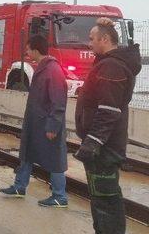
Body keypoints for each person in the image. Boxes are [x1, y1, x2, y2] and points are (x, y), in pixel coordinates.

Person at [74, 17, 141, 234]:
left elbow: (109, 110)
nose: (89, 43)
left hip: (104, 149)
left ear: (104, 39)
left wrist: (93, 143)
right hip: (104, 147)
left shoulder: (111, 66)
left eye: (92, 38)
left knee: (106, 201)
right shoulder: (109, 64)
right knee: (102, 198)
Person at [0, 34, 69, 207]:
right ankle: (19, 186)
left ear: (36, 50)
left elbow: (58, 101)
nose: (27, 53)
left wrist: (53, 126)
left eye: (28, 50)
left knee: (55, 159)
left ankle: (60, 196)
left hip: (47, 124)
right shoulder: (43, 68)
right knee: (27, 154)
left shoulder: (52, 71)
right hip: (36, 123)